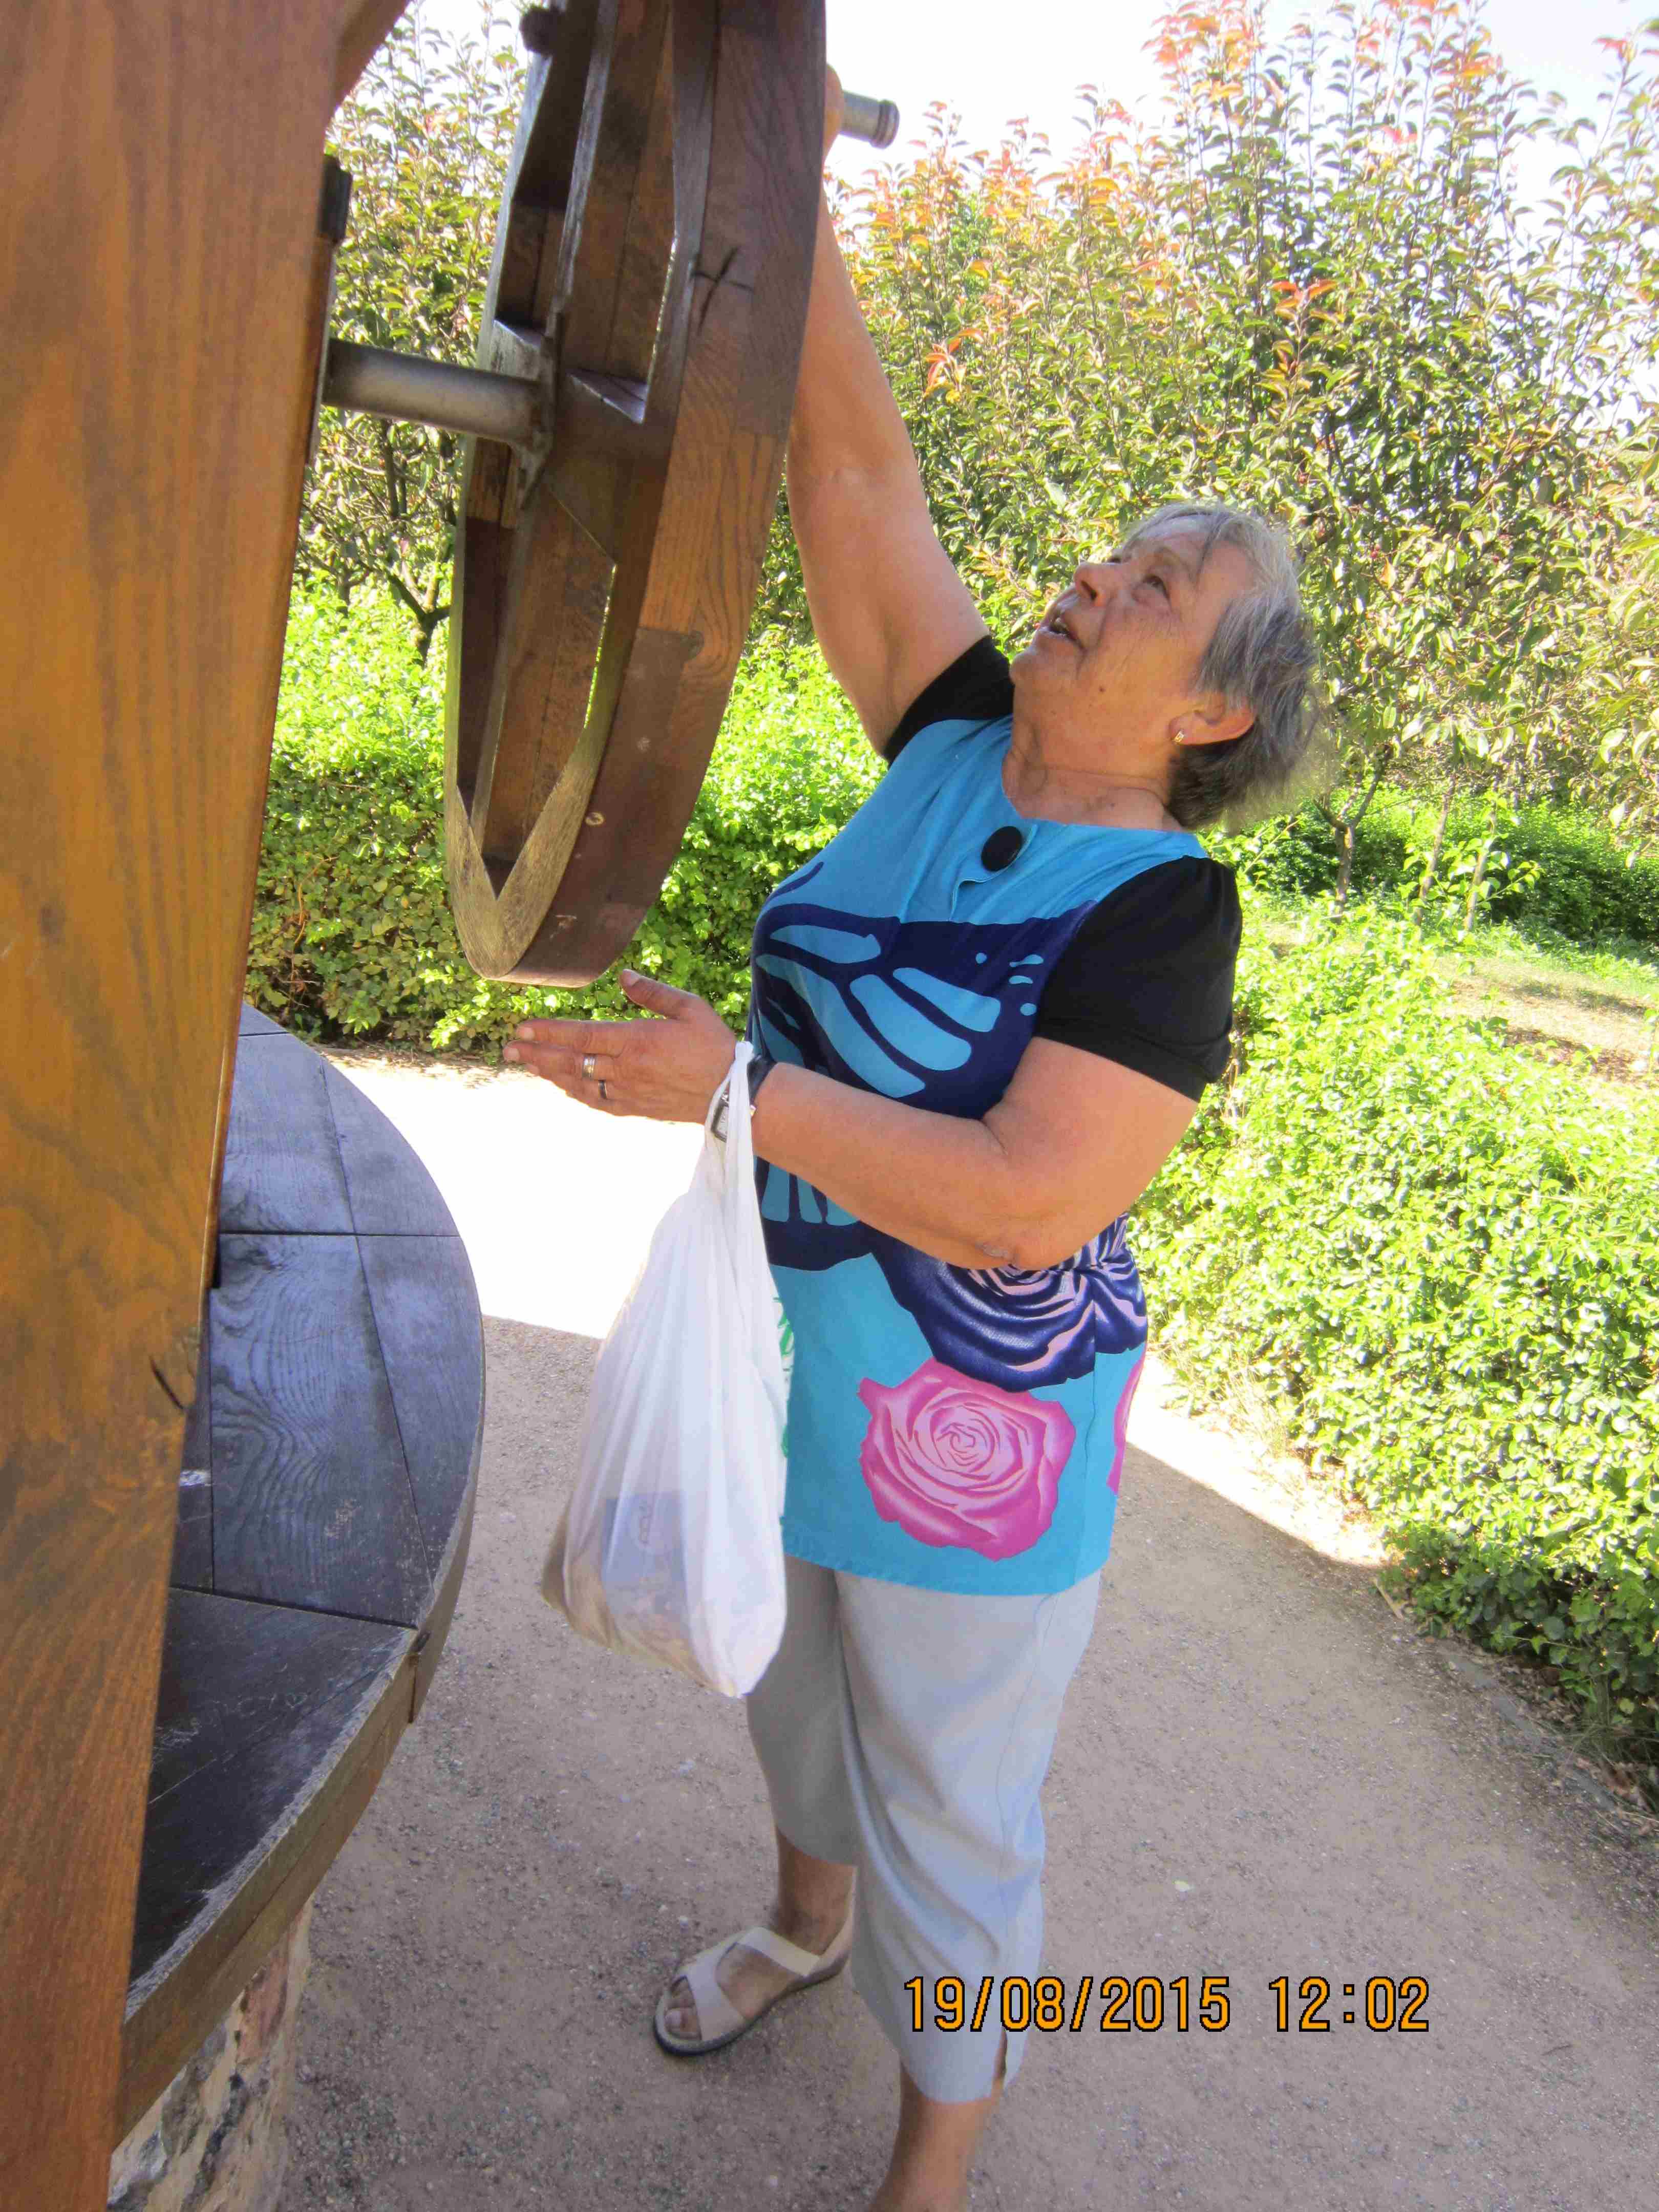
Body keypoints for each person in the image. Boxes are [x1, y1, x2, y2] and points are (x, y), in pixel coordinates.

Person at [503, 69, 1319, 2212]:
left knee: (948, 1796)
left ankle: (931, 2171)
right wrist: (762, 140)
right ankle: (801, 1927)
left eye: (1157, 588)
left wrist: (739, 1096)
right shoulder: (951, 733)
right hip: (784, 1351)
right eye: (1114, 553)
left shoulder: (1162, 908)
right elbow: (851, 454)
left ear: (1214, 709)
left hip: (973, 1426)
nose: (1096, 579)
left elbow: (1038, 1199)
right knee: (788, 1697)